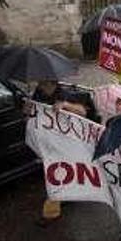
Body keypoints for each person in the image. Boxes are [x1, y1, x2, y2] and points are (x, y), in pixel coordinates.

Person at [32, 80, 91, 226]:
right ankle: (67, 195)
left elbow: (82, 112)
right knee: (58, 173)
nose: (40, 85)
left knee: (56, 174)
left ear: (51, 83)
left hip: (65, 143)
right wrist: (28, 108)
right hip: (47, 142)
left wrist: (65, 105)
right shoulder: (38, 94)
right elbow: (31, 113)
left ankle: (50, 213)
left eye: (43, 82)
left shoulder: (65, 94)